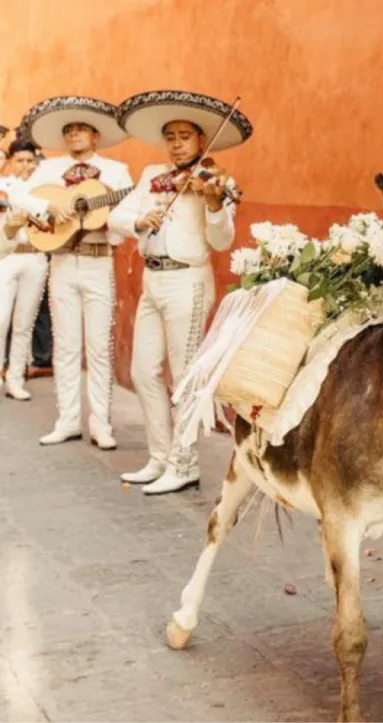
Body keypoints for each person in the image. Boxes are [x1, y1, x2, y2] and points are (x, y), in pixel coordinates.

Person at [110, 89, 251, 495]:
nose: (176, 144)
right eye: (170, 137)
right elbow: (118, 217)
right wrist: (142, 216)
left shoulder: (215, 181)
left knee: (184, 376)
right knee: (142, 372)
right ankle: (159, 457)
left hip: (188, 282)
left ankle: (184, 462)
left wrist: (213, 205)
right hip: (153, 279)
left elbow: (222, 241)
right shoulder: (152, 176)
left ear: (201, 141)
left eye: (184, 137)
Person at [11, 96, 133, 449]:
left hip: (98, 261)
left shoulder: (117, 172)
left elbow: (128, 218)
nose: (74, 134)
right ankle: (67, 420)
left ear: (96, 136)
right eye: (69, 130)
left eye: (81, 129)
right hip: (63, 261)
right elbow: (18, 195)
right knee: (65, 346)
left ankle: (101, 423)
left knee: (97, 346)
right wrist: (49, 206)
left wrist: (110, 215)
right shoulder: (49, 171)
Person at [0, 137, 45, 400]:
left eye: (30, 160)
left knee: (24, 322)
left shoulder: (44, 189)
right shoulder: (3, 187)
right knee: (0, 318)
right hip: (7, 258)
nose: (25, 166)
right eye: (20, 160)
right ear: (10, 161)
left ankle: (16, 379)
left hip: (36, 257)